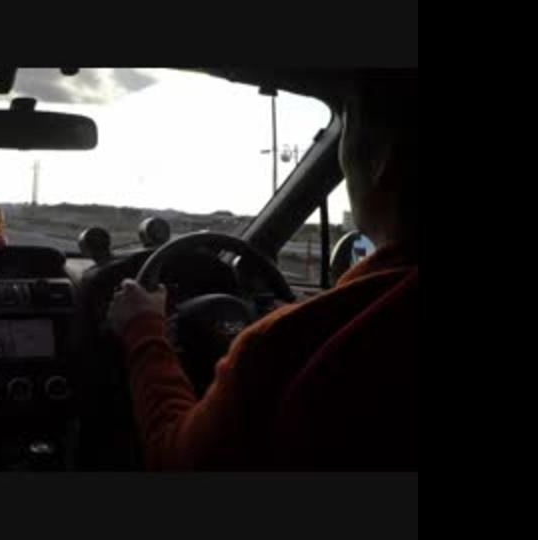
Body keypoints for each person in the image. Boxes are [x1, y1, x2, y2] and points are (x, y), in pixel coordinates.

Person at [107, 73, 418, 470]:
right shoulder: (345, 322)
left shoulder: (282, 345)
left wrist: (144, 329)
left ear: (379, 162)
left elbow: (173, 459)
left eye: (346, 131)